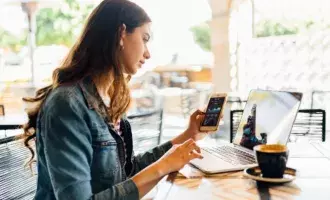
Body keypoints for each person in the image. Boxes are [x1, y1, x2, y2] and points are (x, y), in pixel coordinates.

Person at [22, 0, 208, 199]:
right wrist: (163, 166)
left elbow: (127, 171)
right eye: (144, 38)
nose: (148, 52)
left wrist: (189, 135)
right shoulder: (67, 105)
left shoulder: (107, 99)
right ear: (121, 33)